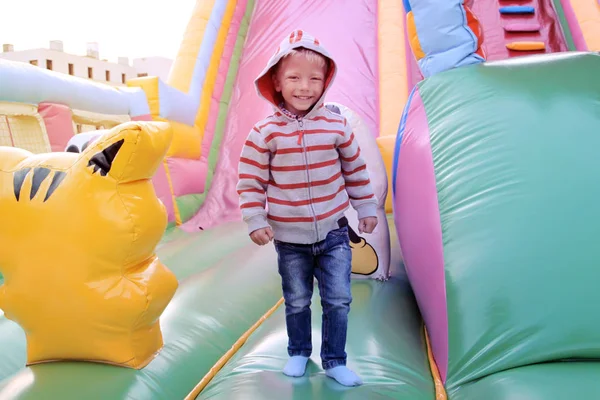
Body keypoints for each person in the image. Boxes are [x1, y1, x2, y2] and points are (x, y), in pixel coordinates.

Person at [236, 30, 378, 387]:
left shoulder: (335, 125)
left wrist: (366, 207)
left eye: (315, 78)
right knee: (297, 300)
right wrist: (255, 218)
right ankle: (299, 351)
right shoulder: (265, 132)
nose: (305, 87)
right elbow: (251, 181)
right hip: (289, 238)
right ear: (277, 83)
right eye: (294, 78)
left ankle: (334, 360)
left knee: (339, 299)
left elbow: (355, 170)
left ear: (326, 81)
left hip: (333, 233)